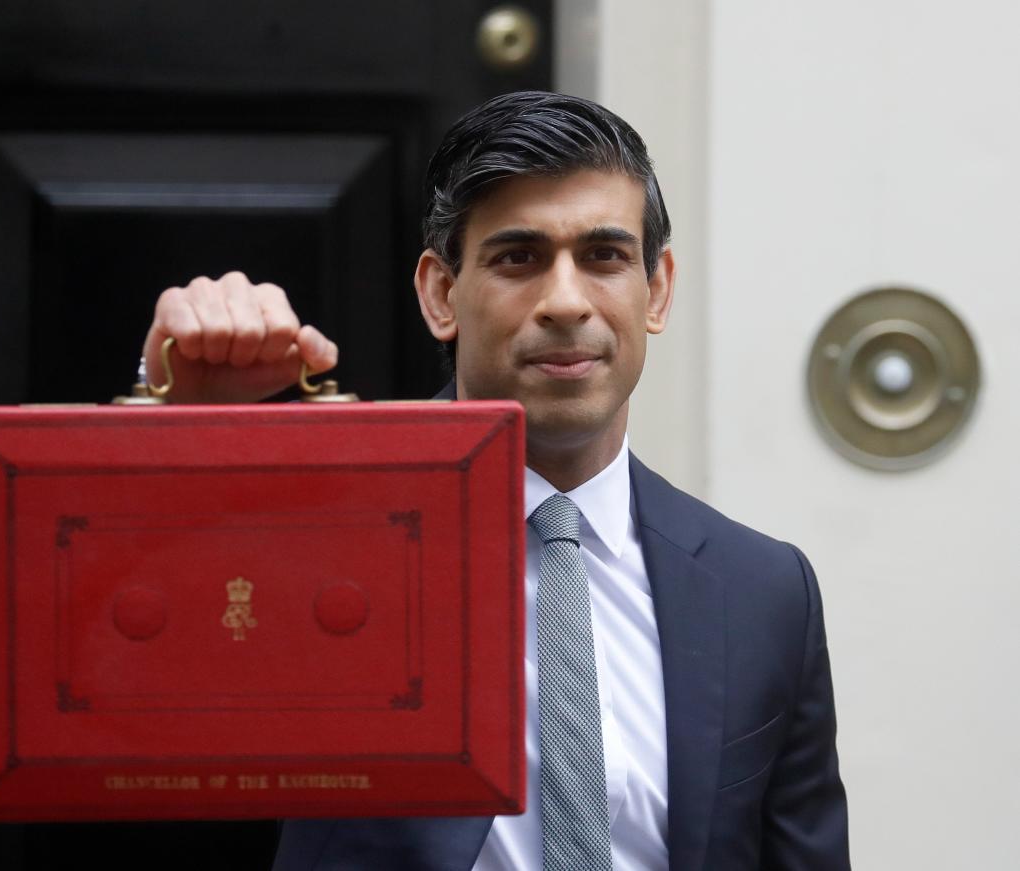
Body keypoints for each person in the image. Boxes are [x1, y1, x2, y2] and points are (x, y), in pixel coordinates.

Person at [143, 91, 849, 871]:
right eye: (519, 257)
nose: (566, 302)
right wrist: (175, 424)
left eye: (605, 256)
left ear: (659, 288)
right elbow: (100, 671)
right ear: (441, 293)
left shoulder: (764, 591)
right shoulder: (320, 533)